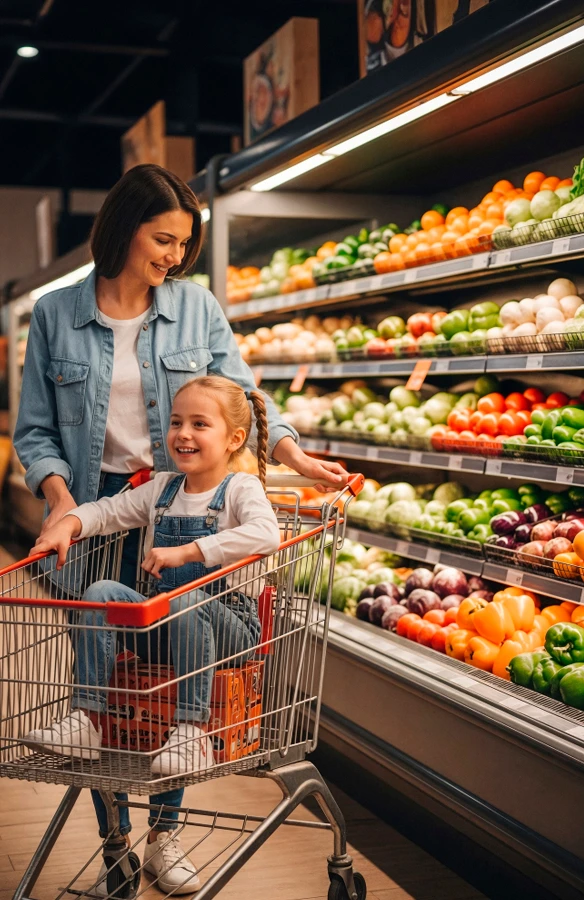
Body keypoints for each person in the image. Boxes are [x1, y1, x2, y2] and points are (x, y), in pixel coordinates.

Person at [14, 163, 346, 894]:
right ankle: (114, 839)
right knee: (100, 681)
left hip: (184, 498)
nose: (172, 257)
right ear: (123, 227)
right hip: (96, 510)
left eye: (182, 246)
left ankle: (165, 835)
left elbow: (243, 402)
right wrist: (65, 503)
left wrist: (289, 453)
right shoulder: (57, 315)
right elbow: (34, 433)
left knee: (174, 673)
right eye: (162, 239)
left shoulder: (196, 309)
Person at [25, 375, 281, 892]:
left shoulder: (241, 488)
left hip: (228, 630)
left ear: (233, 439)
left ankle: (189, 734)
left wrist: (189, 553)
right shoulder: (163, 489)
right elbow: (108, 511)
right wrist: (70, 525)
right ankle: (88, 718)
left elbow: (266, 533)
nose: (183, 434)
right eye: (176, 422)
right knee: (99, 592)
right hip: (167, 628)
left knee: (181, 599)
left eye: (199, 424)